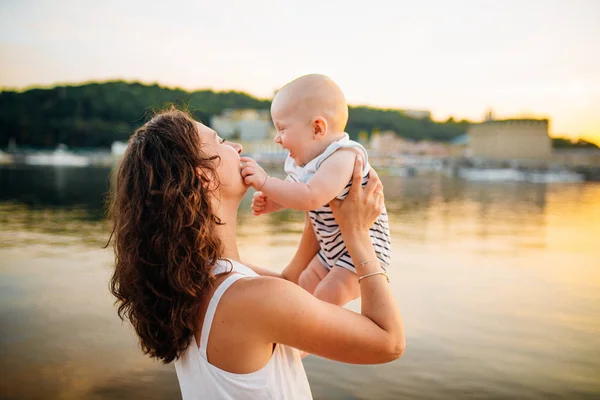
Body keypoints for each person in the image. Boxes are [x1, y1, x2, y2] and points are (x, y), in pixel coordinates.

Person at [107, 108, 404, 399]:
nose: (236, 146)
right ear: (205, 177)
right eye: (222, 142)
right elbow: (388, 343)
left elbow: (291, 284)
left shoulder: (200, 277)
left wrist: (320, 208)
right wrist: (357, 235)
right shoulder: (250, 298)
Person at [243, 74, 391, 307]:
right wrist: (274, 202)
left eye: (282, 129)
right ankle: (303, 337)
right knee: (304, 284)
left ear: (317, 128)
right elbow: (297, 190)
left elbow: (311, 196)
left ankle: (326, 337)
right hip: (330, 251)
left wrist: (265, 182)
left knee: (329, 293)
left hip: (362, 254)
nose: (277, 138)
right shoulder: (306, 162)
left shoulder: (343, 157)